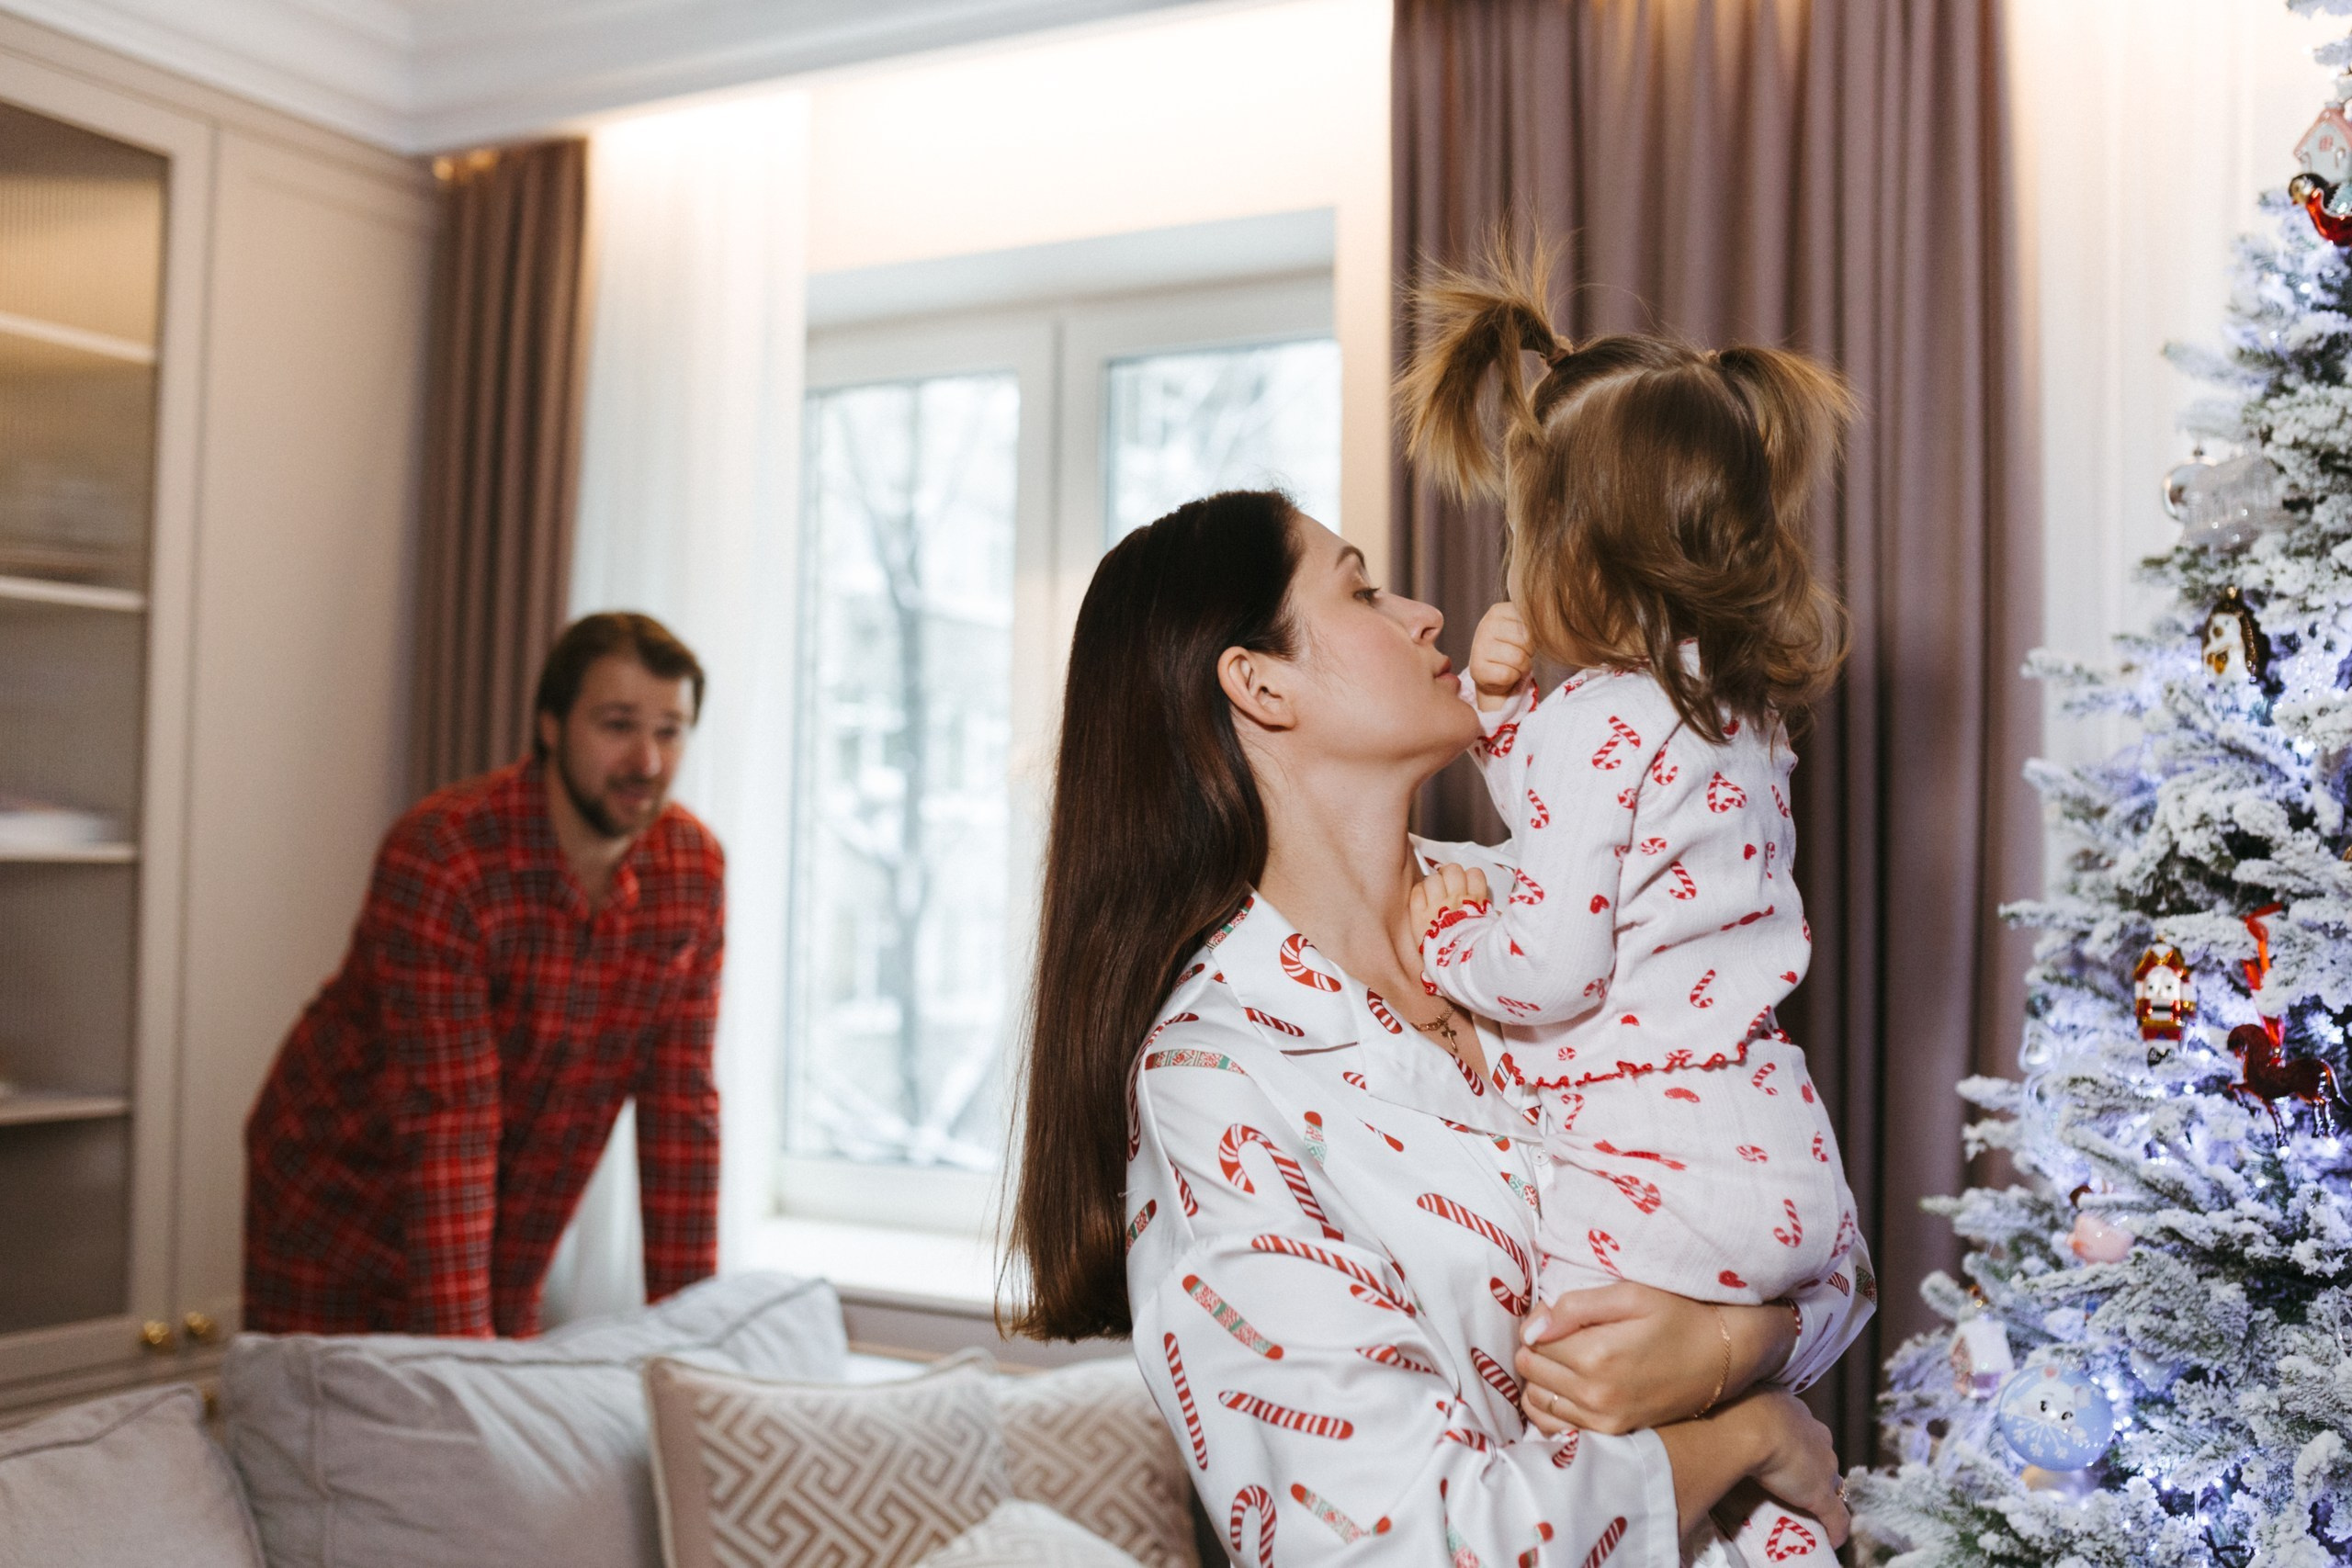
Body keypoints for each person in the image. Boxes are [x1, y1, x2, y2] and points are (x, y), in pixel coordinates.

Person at [1010, 491, 1857, 1566]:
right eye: (1361, 589)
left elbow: (1826, 1240)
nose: (1425, 615)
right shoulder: (1215, 1085)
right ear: (1258, 683)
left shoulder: (1555, 909)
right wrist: (1747, 1432)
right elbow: (1395, 1546)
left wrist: (1725, 1347)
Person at [1396, 253, 1869, 1568]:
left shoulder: (1595, 723)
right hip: (1775, 1156)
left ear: (1566, 546)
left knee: (1570, 1416)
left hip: (1645, 1165)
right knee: (1737, 1475)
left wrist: (1448, 930)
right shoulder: (1734, 715)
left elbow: (1546, 962)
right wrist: (1506, 717)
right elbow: (1606, 835)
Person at [243, 612, 724, 1337]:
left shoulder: (693, 870)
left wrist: (695, 1351)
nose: (647, 761)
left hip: (506, 1231)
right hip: (333, 1203)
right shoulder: (445, 854)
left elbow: (681, 1110)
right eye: (618, 724)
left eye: (670, 729)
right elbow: (451, 1119)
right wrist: (466, 1366)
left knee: (491, 1433)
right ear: (551, 724)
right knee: (324, 1434)